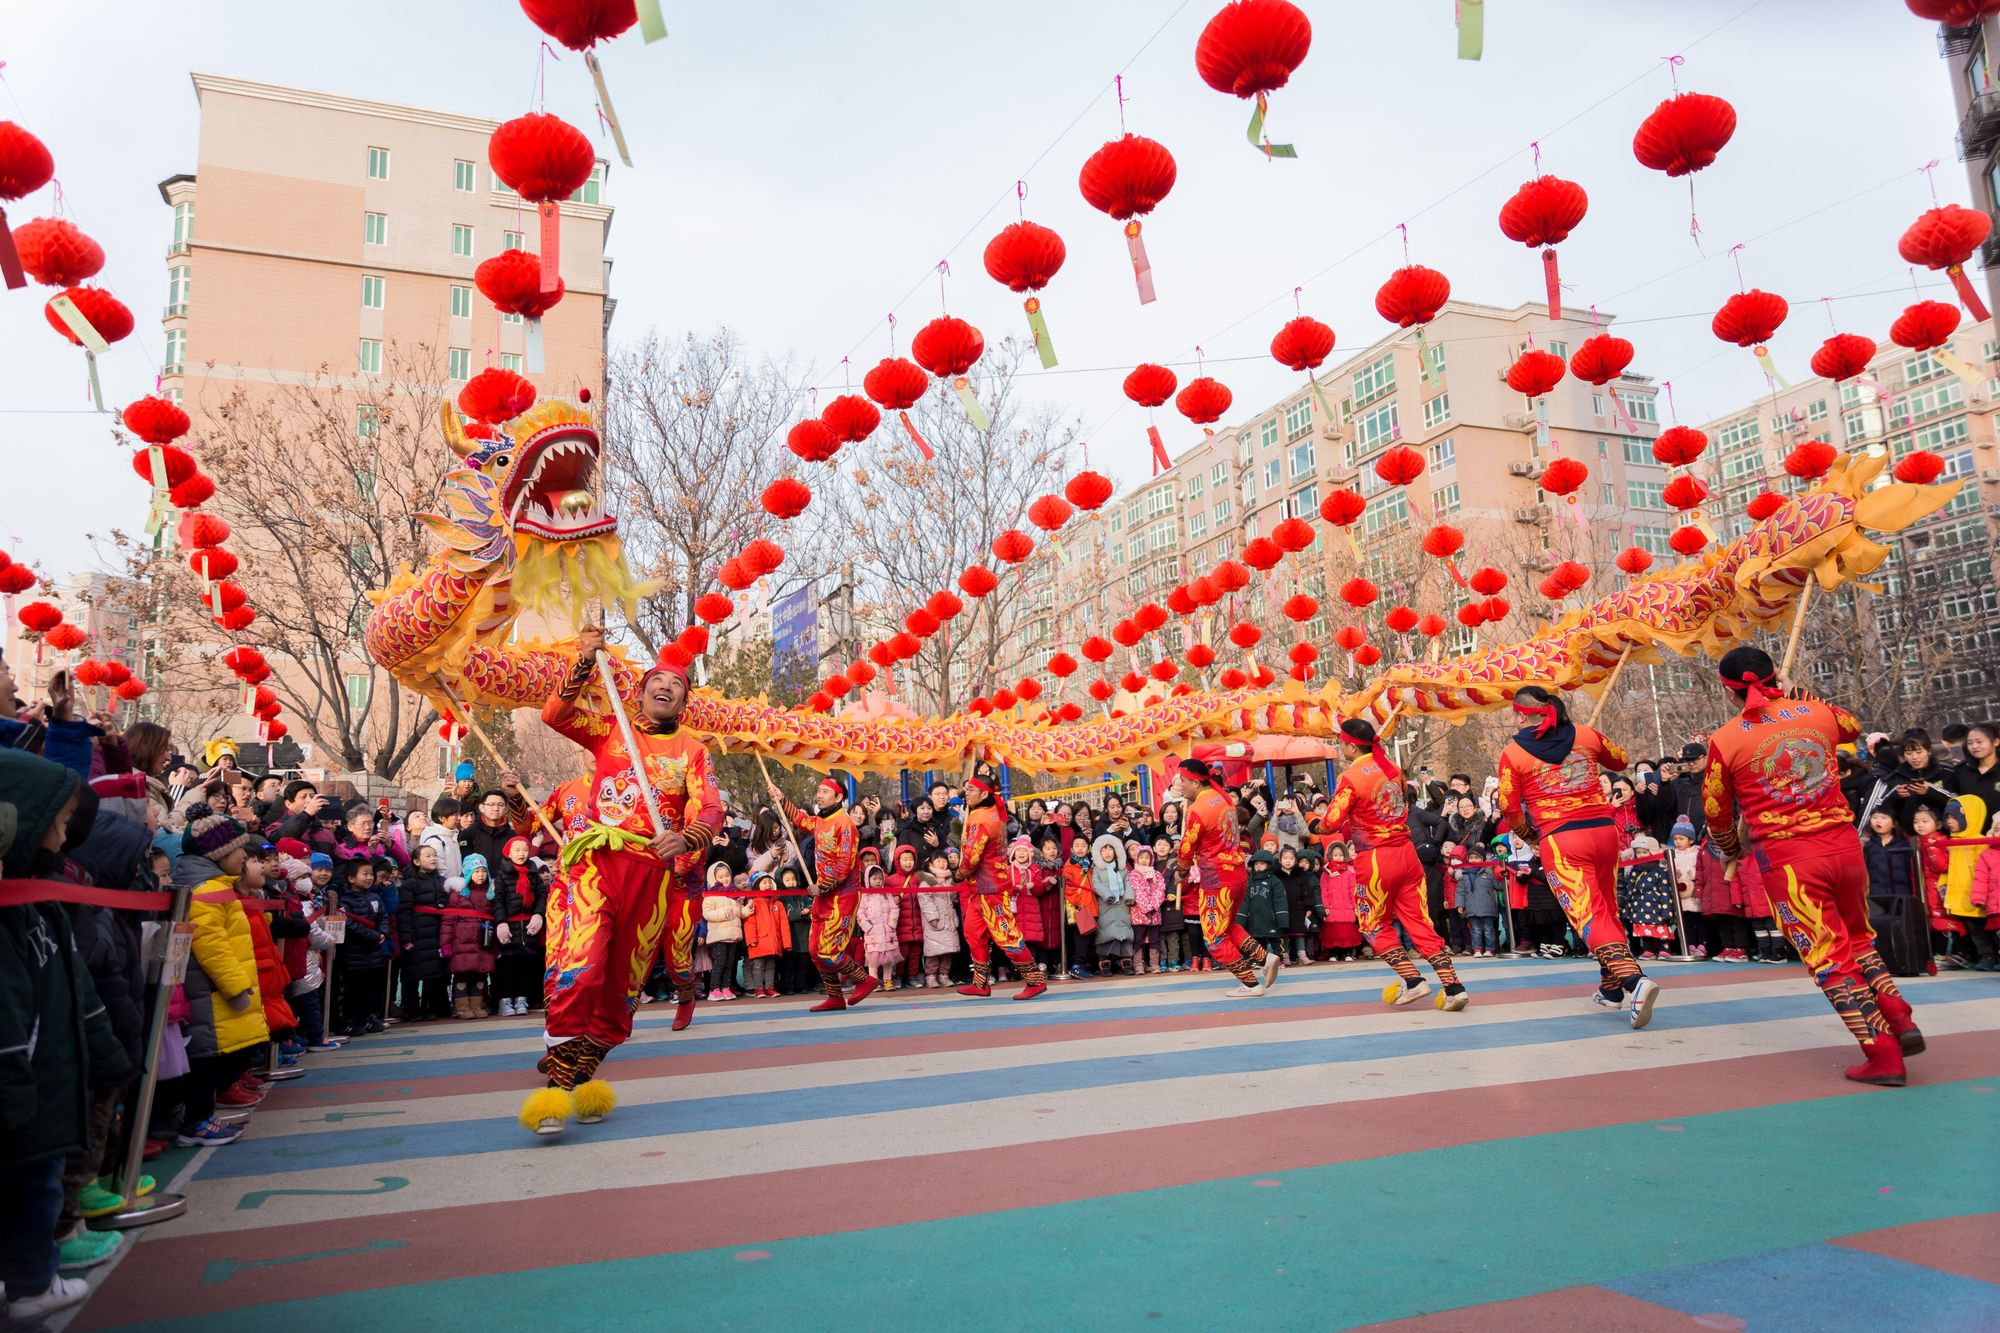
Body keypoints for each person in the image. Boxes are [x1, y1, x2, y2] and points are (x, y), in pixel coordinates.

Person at [525, 629, 723, 1137]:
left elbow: (712, 808)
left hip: (653, 877)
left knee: (621, 992)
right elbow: (555, 715)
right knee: (582, 969)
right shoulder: (610, 730)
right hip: (597, 864)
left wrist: (688, 837)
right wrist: (585, 660)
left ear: (684, 700)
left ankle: (575, 1071)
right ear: (640, 692)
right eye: (656, 681)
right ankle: (556, 1089)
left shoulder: (692, 751)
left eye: (675, 685)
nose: (665, 688)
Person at [1699, 646, 1920, 1086]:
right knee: (1858, 938)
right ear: (1775, 674)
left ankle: (1883, 1054)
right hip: (1844, 848)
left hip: (1791, 862)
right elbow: (1852, 726)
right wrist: (1801, 694)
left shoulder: (1725, 739)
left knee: (1828, 957)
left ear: (1729, 692)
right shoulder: (1816, 712)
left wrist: (1728, 846)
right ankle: (1897, 1013)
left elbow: (1715, 809)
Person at [1495, 685, 1659, 1025]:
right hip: (1604, 831)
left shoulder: (1513, 753)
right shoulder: (1585, 734)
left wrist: (1529, 836)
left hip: (1562, 839)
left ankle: (1634, 981)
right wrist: (1589, 742)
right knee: (1607, 908)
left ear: (1522, 714)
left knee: (1589, 914)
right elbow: (1621, 760)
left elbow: (1509, 807)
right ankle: (1611, 989)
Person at [1323, 721, 1466, 1009]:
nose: (1341, 747)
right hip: (1406, 853)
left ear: (1351, 745)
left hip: (1376, 858)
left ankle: (1413, 980)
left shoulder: (1350, 777)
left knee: (1372, 922)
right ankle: (1453, 986)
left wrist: (1316, 822)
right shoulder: (1393, 770)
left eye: (1342, 743)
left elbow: (1330, 823)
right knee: (1420, 921)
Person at [767, 773, 877, 1012]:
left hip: (842, 896)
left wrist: (822, 885)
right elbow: (801, 820)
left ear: (839, 797)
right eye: (818, 790)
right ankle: (835, 996)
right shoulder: (820, 820)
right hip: (824, 895)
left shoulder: (845, 824)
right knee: (815, 950)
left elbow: (845, 863)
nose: (819, 794)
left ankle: (864, 979)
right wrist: (781, 798)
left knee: (829, 951)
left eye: (825, 791)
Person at [1174, 757, 1282, 997]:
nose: (1180, 785)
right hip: (1237, 874)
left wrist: (1181, 871)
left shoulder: (1197, 810)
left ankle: (1251, 983)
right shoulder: (1222, 800)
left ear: (1194, 781)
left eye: (1182, 781)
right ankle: (1264, 958)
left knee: (1213, 937)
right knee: (1228, 926)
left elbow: (1186, 848)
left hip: (1216, 880)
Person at [952, 769, 1050, 999]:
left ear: (985, 794)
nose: (966, 792)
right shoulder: (994, 811)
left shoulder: (980, 818)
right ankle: (980, 984)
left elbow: (971, 856)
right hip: (984, 886)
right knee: (974, 933)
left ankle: (1034, 981)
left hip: (990, 888)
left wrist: (959, 874)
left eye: (972, 789)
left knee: (1006, 935)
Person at [396, 842, 451, 1020]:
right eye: (428, 855)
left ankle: (431, 1007)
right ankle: (411, 1008)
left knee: (434, 973)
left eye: (434, 855)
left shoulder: (442, 881)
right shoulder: (409, 884)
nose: (433, 858)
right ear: (417, 861)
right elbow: (404, 911)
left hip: (435, 933)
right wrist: (405, 937)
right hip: (416, 933)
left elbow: (445, 900)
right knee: (411, 974)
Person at [494, 836, 546, 1016]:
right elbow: (498, 900)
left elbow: (541, 896)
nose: (521, 853)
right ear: (508, 853)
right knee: (507, 965)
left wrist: (539, 915)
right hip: (509, 926)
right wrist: (501, 923)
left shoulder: (534, 873)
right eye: (517, 850)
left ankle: (522, 998)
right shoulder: (501, 874)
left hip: (529, 926)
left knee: (526, 964)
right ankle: (505, 1000)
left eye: (524, 849)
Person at [1941, 798, 1995, 969]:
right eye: (1947, 817)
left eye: (1955, 817)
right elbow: (1947, 868)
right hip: (1958, 895)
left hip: (1976, 896)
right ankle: (1970, 955)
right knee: (1966, 930)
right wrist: (1942, 885)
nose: (1950, 822)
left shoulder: (1980, 842)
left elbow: (1984, 872)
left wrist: (1982, 893)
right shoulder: (1950, 841)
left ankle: (1989, 955)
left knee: (1982, 930)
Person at [741, 871, 790, 997]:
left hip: (774, 943)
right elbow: (750, 923)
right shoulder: (754, 903)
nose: (768, 885)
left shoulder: (778, 904)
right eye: (764, 883)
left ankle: (769, 987)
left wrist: (786, 943)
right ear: (757, 886)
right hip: (758, 943)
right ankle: (759, 989)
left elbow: (784, 925)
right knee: (758, 966)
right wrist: (751, 940)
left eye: (769, 882)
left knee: (770, 966)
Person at [1090, 834, 1134, 975]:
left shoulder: (1122, 868)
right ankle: (1104, 962)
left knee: (1124, 933)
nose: (1107, 853)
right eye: (1104, 850)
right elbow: (1096, 883)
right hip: (1105, 904)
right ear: (1098, 852)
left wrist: (1129, 897)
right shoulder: (1096, 868)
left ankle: (1126, 961)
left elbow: (1128, 883)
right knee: (1105, 933)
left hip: (1122, 904)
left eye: (1110, 849)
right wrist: (1107, 894)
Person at [701, 864, 745, 1001]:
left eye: (727, 875)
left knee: (729, 963)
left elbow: (740, 913)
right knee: (719, 963)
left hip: (732, 935)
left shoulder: (733, 896)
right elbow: (707, 913)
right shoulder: (711, 895)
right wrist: (724, 913)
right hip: (719, 936)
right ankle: (714, 989)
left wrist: (747, 909)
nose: (725, 879)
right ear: (713, 878)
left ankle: (726, 988)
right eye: (720, 876)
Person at [1451, 843, 1502, 957]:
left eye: (1477, 857)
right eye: (1471, 857)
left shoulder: (1489, 872)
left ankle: (1489, 949)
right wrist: (1460, 905)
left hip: (1487, 906)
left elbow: (1498, 886)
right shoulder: (1464, 874)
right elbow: (1460, 891)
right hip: (1471, 906)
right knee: (1475, 930)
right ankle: (1477, 949)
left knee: (1489, 929)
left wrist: (1502, 876)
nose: (1473, 860)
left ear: (1482, 859)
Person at [857, 862, 902, 991]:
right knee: (873, 959)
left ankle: (888, 980)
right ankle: (874, 981)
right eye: (874, 879)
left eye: (880, 879)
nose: (877, 881)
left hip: (888, 932)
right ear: (867, 879)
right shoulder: (864, 895)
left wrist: (891, 924)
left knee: (888, 959)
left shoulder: (886, 894)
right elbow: (860, 913)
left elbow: (894, 908)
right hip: (873, 933)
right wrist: (868, 927)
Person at [1129, 844, 1166, 973]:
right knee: (1138, 940)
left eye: (1147, 857)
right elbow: (1137, 892)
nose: (1144, 860)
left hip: (1154, 915)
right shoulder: (1133, 874)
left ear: (1152, 859)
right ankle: (1138, 965)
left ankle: (1154, 964)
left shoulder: (1157, 874)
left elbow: (1160, 890)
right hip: (1139, 915)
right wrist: (1146, 907)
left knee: (1154, 940)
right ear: (1136, 859)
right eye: (1141, 857)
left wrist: (1154, 905)